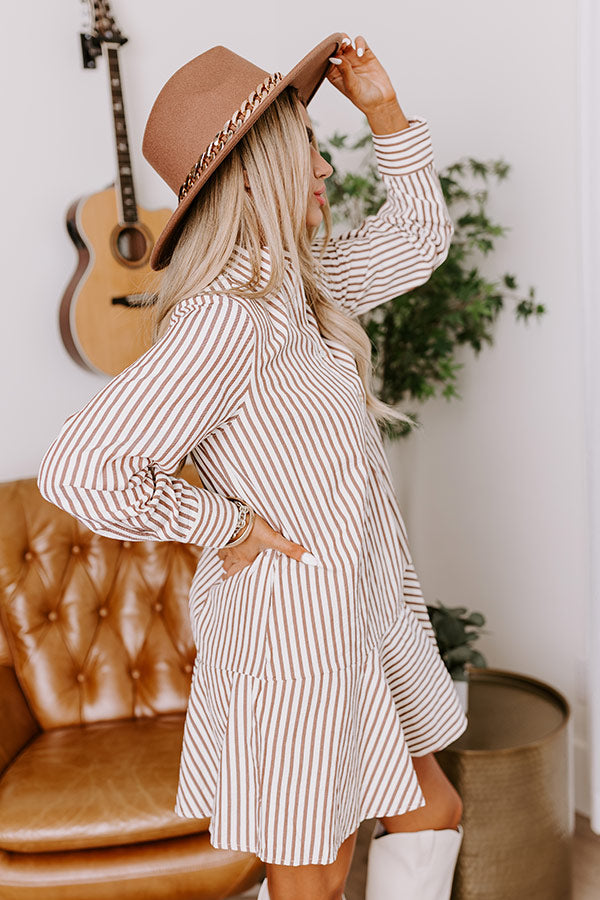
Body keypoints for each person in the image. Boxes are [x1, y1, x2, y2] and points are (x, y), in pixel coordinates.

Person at [38, 31, 468, 900]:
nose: (324, 166)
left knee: (430, 810)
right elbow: (81, 467)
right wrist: (224, 525)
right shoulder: (227, 317)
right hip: (296, 636)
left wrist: (384, 110)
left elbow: (420, 237)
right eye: (305, 146)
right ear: (250, 173)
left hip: (357, 611)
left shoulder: (303, 287)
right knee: (317, 870)